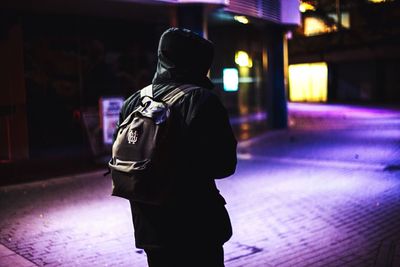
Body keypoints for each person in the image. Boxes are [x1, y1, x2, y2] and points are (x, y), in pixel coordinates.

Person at [115, 28, 237, 267]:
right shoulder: (202, 100)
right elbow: (224, 165)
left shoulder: (134, 101)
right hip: (196, 227)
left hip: (149, 228)